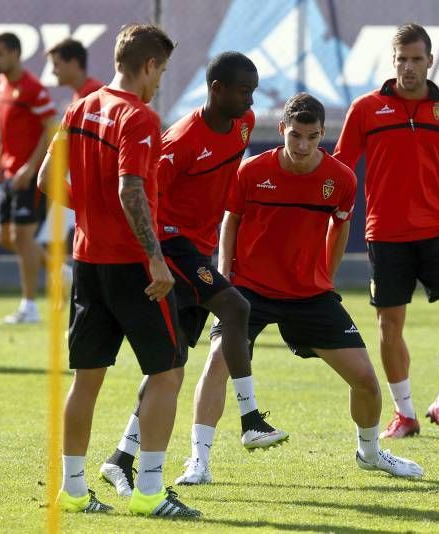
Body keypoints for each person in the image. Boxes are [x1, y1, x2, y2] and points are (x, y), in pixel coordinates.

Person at [177, 92, 423, 484]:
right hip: (250, 290)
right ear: (282, 131)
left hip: (309, 294)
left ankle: (370, 453)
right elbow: (231, 220)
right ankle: (198, 462)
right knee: (217, 363)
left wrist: (326, 275)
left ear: (323, 134)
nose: (303, 146)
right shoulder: (252, 171)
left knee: (365, 380)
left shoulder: (340, 179)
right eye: (295, 136)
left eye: (311, 137)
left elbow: (339, 225)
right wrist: (225, 278)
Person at [98, 51, 287, 495]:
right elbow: (144, 193)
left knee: (171, 365)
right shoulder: (180, 139)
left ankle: (120, 458)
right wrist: (153, 255)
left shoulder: (243, 124)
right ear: (216, 89)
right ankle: (250, 418)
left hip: (197, 249)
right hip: (172, 245)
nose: (251, 99)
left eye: (253, 90)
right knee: (236, 306)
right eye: (243, 90)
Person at [37, 23, 200, 517]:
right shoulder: (140, 117)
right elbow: (131, 190)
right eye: (162, 71)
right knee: (168, 372)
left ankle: (73, 489)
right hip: (133, 266)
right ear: (148, 65)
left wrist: (88, 213)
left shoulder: (82, 105)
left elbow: (47, 179)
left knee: (86, 380)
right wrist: (155, 256)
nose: (161, 82)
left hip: (88, 262)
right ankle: (150, 492)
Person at [333, 23, 439, 441]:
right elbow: (339, 168)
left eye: (416, 59)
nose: (409, 68)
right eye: (401, 60)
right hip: (387, 233)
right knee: (390, 325)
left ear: (430, 61)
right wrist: (318, 214)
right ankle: (405, 413)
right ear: (392, 63)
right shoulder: (366, 109)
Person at [0, 32, 56, 324]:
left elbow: (51, 127)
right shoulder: (3, 85)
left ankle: (30, 307)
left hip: (27, 176)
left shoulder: (33, 88)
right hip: (7, 172)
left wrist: (31, 167)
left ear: (16, 53)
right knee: (6, 238)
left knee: (22, 237)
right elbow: (7, 130)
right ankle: (60, 270)